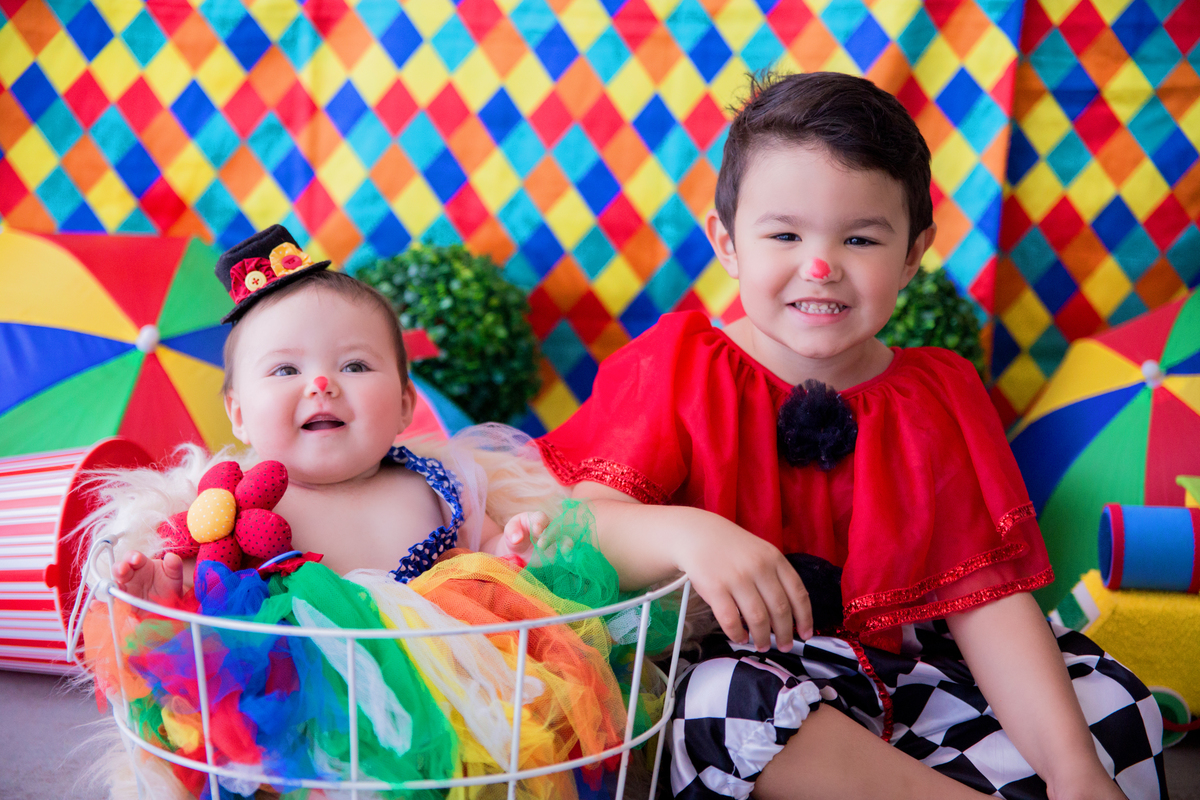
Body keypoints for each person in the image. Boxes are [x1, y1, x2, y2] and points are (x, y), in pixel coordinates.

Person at [536, 72, 1164, 800]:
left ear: (912, 255)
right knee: (721, 705)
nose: (821, 266)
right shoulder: (681, 366)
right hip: (755, 677)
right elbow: (582, 526)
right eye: (785, 235)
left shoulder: (936, 395)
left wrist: (1072, 768)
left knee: (1111, 702)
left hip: (909, 673)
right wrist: (690, 534)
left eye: (860, 238)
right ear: (727, 243)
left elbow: (985, 601)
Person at [112, 225, 550, 601]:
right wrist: (171, 589)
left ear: (404, 405)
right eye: (286, 370)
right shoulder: (240, 511)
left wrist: (514, 547)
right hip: (304, 669)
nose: (321, 384)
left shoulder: (439, 484)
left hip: (444, 658)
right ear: (239, 415)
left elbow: (489, 552)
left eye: (354, 366)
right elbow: (214, 588)